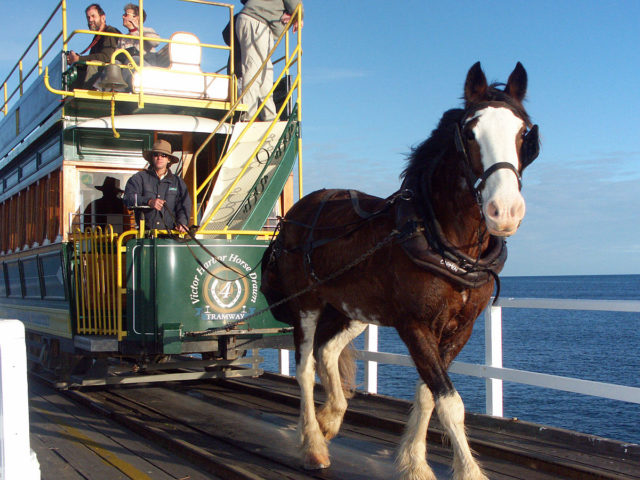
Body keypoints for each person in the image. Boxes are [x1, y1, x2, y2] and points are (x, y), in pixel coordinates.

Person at [236, 0, 304, 121]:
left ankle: (269, 117)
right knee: (254, 69)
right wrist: (298, 16)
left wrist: (282, 13)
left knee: (265, 72)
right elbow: (295, 4)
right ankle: (247, 116)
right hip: (257, 22)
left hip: (255, 22)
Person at [123, 140, 191, 232]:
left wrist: (182, 223)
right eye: (156, 155)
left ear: (169, 159)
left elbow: (183, 205)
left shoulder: (178, 182)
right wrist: (149, 201)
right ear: (152, 158)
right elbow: (128, 198)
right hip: (145, 236)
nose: (159, 158)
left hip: (171, 236)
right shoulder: (139, 178)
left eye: (164, 155)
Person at [66, 4, 121, 89]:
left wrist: (79, 59)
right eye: (88, 17)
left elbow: (106, 57)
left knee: (93, 64)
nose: (90, 20)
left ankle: (87, 95)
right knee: (75, 68)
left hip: (110, 74)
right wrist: (75, 60)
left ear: (103, 18)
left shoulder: (110, 32)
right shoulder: (97, 37)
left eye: (93, 16)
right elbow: (92, 57)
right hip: (101, 71)